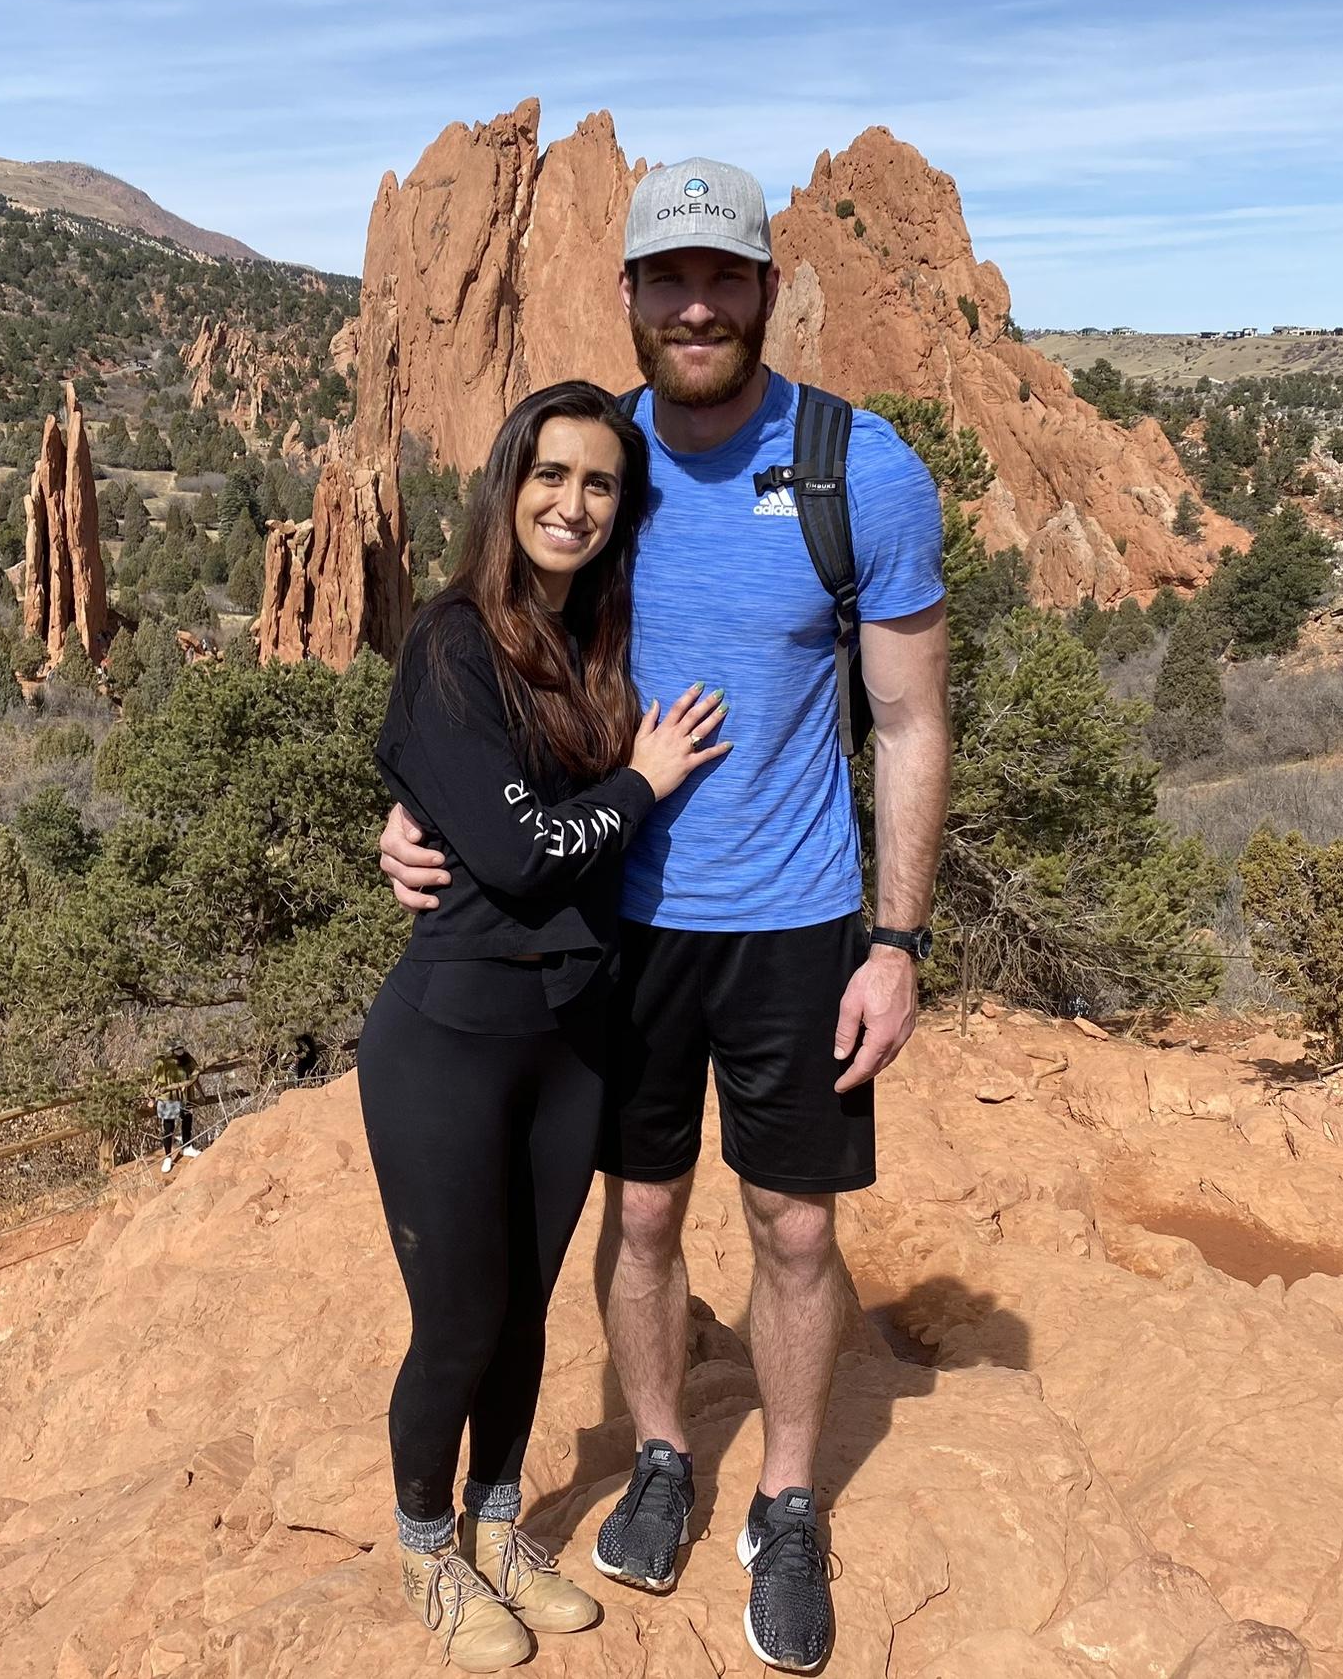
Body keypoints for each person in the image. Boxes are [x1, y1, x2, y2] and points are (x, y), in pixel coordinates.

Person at [381, 159, 951, 1673]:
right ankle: (656, 1456)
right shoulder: (595, 464)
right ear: (628, 296)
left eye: (724, 277)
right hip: (616, 923)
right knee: (638, 1216)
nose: (696, 305)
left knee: (793, 1225)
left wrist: (896, 945)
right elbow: (495, 653)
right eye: (666, 279)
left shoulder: (857, 468)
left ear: (769, 288)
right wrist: (423, 806)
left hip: (796, 918)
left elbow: (908, 721)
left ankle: (784, 1503)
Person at [358, 379, 732, 1672]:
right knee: (459, 1319)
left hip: (572, 1034)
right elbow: (519, 853)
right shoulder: (456, 641)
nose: (571, 505)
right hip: (452, 1035)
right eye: (550, 477)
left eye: (598, 485)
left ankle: (503, 1524)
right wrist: (645, 779)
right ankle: (425, 1547)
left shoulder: (595, 645)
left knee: (523, 1315)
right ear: (509, 487)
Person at [151, 1048, 199, 1175]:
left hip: (185, 1094)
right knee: (168, 1126)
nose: (180, 1050)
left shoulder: (188, 1058)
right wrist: (151, 1096)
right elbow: (156, 1082)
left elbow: (196, 1073)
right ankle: (168, 1157)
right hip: (168, 1096)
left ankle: (187, 1146)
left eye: (181, 1047)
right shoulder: (163, 1061)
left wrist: (201, 1093)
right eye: (177, 1048)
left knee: (187, 1119)